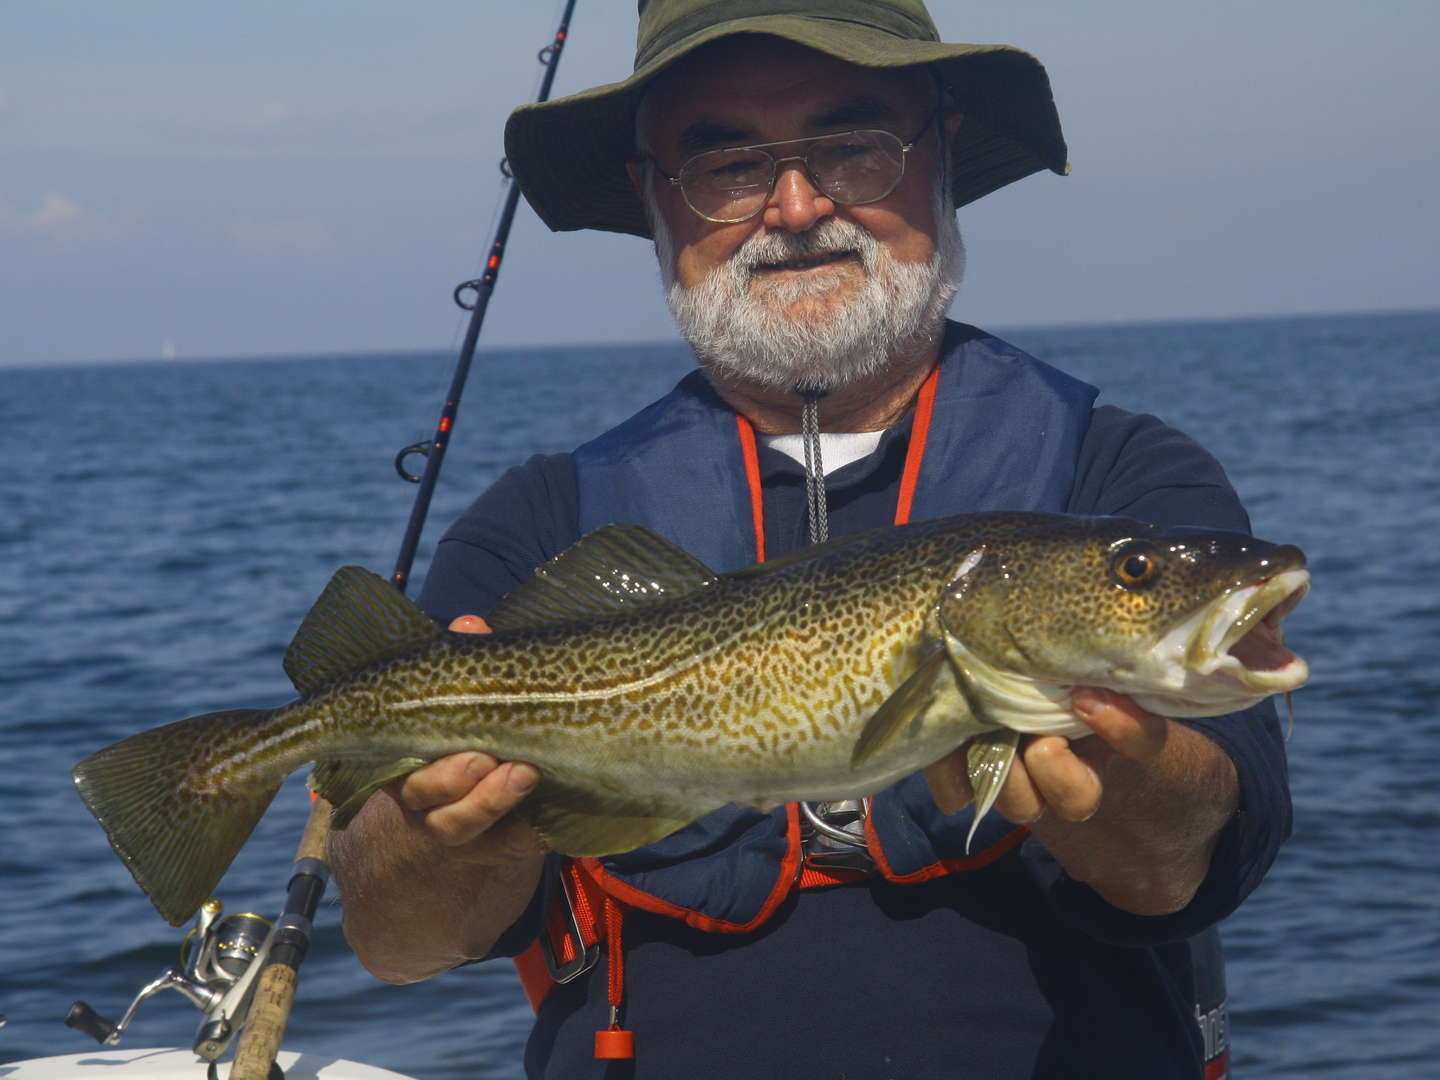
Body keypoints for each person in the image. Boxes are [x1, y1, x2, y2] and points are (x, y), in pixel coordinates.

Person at [328, 3, 1289, 1077]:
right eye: (727, 162)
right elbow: (394, 940)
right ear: (654, 197)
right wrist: (441, 833)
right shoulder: (541, 518)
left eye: (853, 143)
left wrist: (1134, 789)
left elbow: (1189, 857)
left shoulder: (1123, 480)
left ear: (944, 157)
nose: (796, 206)